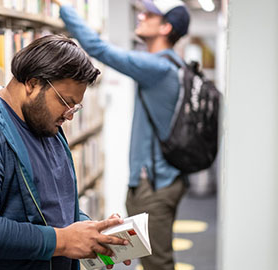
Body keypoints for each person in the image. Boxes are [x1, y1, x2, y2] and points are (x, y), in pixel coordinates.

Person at [0, 34, 131, 270]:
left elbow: (53, 206)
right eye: (65, 102)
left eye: (75, 108)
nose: (69, 115)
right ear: (33, 83)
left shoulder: (44, 125)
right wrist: (64, 241)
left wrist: (93, 232)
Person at [53, 0, 191, 269]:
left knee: (157, 263)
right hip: (161, 179)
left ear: (166, 27)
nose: (141, 15)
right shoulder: (172, 65)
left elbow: (98, 49)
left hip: (155, 183)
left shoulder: (158, 68)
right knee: (153, 257)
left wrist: (65, 7)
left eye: (149, 14)